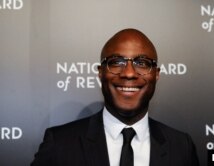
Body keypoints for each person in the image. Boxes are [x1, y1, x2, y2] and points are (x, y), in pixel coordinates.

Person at [31, 28, 199, 166]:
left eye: (142, 63)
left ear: (156, 74)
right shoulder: (60, 144)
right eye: (116, 62)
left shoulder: (181, 146)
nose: (129, 73)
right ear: (100, 72)